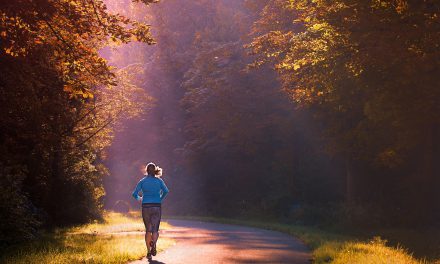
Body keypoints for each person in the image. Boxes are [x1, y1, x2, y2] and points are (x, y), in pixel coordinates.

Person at [132, 162, 169, 261]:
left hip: (146, 206)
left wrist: (139, 198)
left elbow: (134, 194)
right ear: (155, 170)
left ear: (146, 171)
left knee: (148, 230)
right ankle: (154, 245)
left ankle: (148, 252)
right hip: (157, 206)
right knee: (155, 229)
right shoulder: (159, 181)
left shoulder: (142, 181)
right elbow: (166, 191)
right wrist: (160, 198)